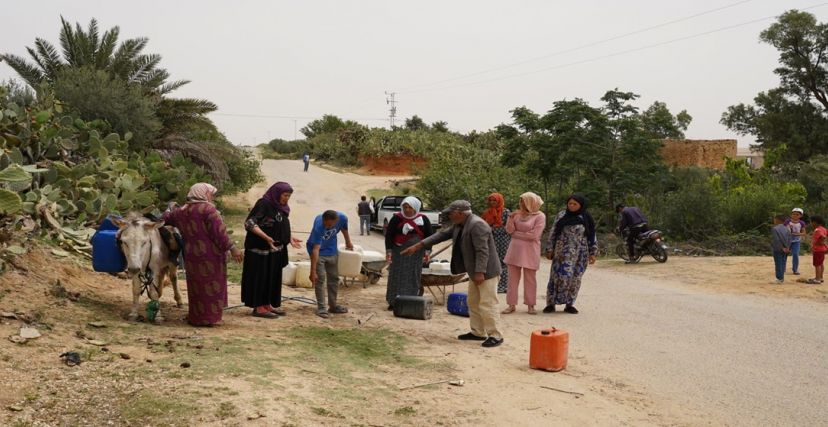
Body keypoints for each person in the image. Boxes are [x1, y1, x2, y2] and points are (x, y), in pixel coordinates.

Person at [403, 200, 504, 348]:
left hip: (486, 271)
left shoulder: (477, 225)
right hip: (474, 270)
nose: (449, 215)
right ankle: (478, 332)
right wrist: (419, 245)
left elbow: (483, 251)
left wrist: (480, 272)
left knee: (487, 303)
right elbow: (441, 235)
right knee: (473, 302)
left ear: (460, 213)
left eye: (451, 212)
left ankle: (496, 335)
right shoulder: (460, 224)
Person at [163, 183, 243, 326]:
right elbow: (219, 234)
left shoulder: (181, 210)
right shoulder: (208, 210)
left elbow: (166, 219)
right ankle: (210, 319)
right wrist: (232, 248)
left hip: (191, 256)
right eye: (210, 194)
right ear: (203, 194)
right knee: (212, 286)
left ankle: (196, 318)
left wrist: (170, 208)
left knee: (196, 287)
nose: (211, 197)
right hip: (210, 255)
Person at [240, 182, 302, 319]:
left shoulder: (281, 207)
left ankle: (267, 304)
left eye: (289, 196)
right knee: (260, 277)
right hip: (260, 249)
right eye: (285, 195)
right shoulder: (263, 204)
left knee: (272, 277)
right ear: (277, 193)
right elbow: (249, 223)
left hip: (275, 250)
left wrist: (288, 237)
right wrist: (266, 238)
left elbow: (277, 224)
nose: (286, 198)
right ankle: (259, 307)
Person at [545, 194, 597, 314]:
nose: (572, 206)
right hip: (561, 251)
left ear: (581, 205)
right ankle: (551, 303)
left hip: (580, 252)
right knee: (557, 276)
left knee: (575, 278)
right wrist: (549, 248)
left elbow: (592, 235)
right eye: (570, 204)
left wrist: (593, 252)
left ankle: (569, 304)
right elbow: (553, 231)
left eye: (575, 204)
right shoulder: (562, 215)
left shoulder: (586, 217)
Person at [385, 196, 434, 310]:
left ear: (416, 208)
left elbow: (429, 237)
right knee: (396, 275)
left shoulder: (423, 219)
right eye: (405, 207)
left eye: (410, 207)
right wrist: (389, 251)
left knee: (413, 276)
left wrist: (427, 251)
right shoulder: (396, 218)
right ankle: (393, 302)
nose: (407, 210)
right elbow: (389, 235)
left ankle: (410, 300)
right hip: (399, 253)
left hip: (416, 254)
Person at [502, 192, 546, 315]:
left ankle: (530, 305)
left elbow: (534, 235)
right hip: (514, 250)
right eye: (520, 201)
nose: (521, 204)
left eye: (524, 201)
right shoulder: (516, 215)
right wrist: (510, 219)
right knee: (512, 280)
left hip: (531, 251)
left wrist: (516, 234)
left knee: (530, 279)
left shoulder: (540, 216)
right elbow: (509, 231)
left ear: (531, 202)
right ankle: (511, 305)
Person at [307, 210, 353, 318]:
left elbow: (344, 228)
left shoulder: (342, 218)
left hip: (332, 250)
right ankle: (322, 308)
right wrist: (312, 272)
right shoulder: (319, 226)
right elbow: (315, 249)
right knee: (320, 278)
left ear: (336, 221)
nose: (328, 227)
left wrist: (348, 241)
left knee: (334, 278)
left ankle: (333, 306)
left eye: (330, 225)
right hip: (318, 252)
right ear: (323, 220)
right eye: (326, 224)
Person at [482, 193, 511, 293]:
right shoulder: (487, 213)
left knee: (503, 262)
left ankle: (504, 286)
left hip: (504, 239)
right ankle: (493, 285)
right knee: (492, 262)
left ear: (499, 201)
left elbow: (510, 227)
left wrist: (496, 228)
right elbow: (483, 226)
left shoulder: (506, 212)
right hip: (491, 239)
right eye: (490, 200)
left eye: (494, 200)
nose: (492, 202)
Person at [785, 208, 807, 275]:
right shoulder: (787, 221)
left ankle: (795, 270)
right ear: (791, 215)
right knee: (784, 254)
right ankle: (782, 268)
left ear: (800, 216)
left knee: (795, 254)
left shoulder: (801, 223)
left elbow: (804, 233)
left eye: (797, 214)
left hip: (796, 241)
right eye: (793, 214)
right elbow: (784, 229)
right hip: (787, 241)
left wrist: (796, 234)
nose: (795, 216)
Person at [771, 214, 792, 284]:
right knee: (783, 263)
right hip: (786, 249)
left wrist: (781, 248)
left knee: (778, 263)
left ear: (777, 220)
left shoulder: (775, 229)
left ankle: (779, 278)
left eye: (774, 219)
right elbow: (790, 239)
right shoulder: (787, 228)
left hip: (778, 249)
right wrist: (788, 248)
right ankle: (781, 278)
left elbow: (776, 240)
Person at [807, 215, 827, 284]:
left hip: (818, 250)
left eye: (811, 222)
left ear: (815, 222)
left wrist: (821, 242)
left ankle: (817, 279)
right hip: (822, 250)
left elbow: (823, 236)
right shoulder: (823, 228)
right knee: (821, 264)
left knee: (817, 264)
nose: (811, 223)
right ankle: (820, 277)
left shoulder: (817, 229)